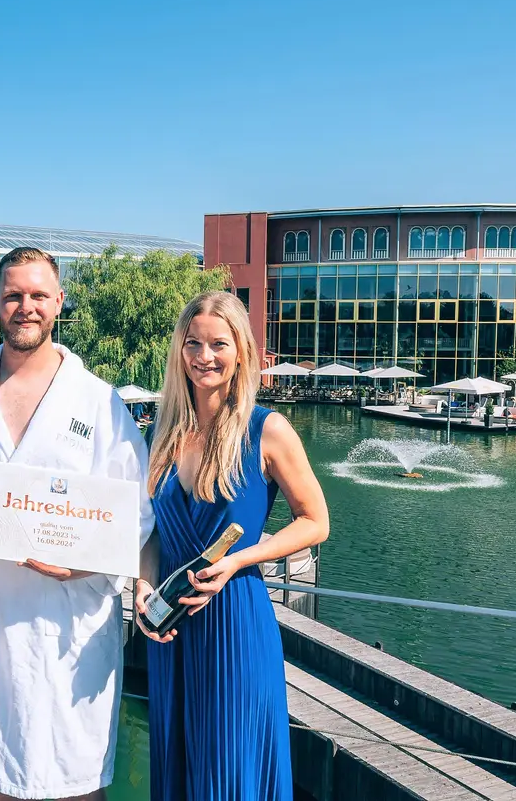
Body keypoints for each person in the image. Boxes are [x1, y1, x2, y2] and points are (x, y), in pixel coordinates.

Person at [0, 247, 152, 801]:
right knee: (0, 776)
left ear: (58, 302)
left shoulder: (100, 402)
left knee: (76, 779)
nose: (25, 307)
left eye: (37, 295)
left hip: (70, 621)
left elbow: (138, 508)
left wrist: (86, 562)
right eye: (13, 295)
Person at [134, 291, 329, 801]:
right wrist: (142, 586)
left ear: (241, 350)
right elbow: (151, 530)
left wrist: (241, 558)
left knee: (230, 766)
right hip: (168, 630)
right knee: (178, 765)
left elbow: (315, 522)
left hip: (235, 622)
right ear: (180, 351)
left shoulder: (267, 430)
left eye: (218, 343)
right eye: (193, 343)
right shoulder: (162, 431)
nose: (204, 356)